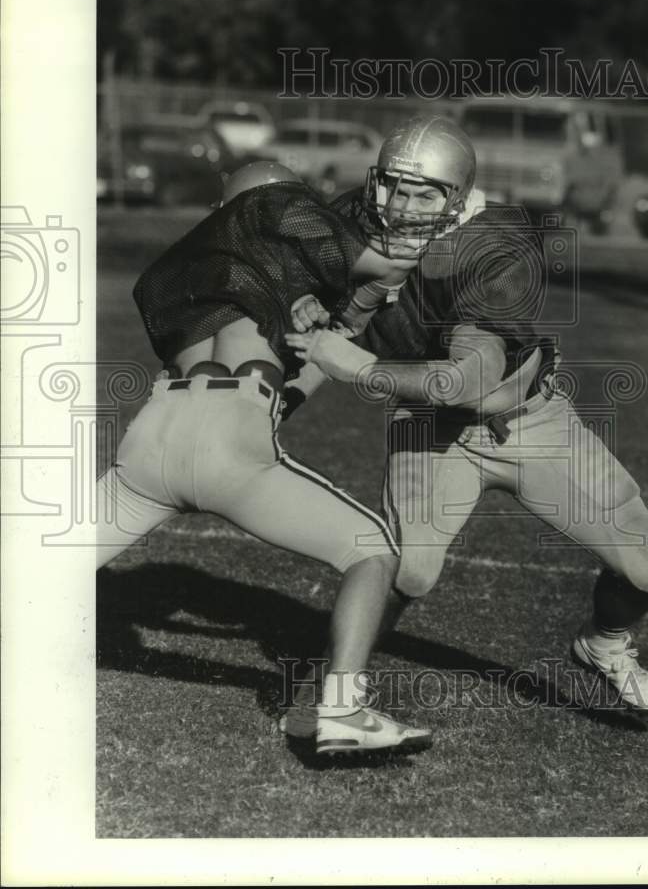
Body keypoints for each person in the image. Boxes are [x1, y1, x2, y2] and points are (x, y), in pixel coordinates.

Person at [284, 115, 648, 720]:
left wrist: (357, 366)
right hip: (427, 427)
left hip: (527, 421)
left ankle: (602, 645)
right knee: (407, 572)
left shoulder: (493, 246)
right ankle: (339, 690)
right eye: (392, 187)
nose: (401, 206)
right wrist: (304, 300)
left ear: (460, 197)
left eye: (424, 194)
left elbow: (468, 379)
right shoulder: (352, 218)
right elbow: (284, 277)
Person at [95, 160, 433, 756]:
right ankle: (343, 709)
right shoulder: (276, 236)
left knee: (37, 569)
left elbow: (276, 383)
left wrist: (333, 326)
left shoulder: (174, 277)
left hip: (153, 438)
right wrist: (384, 277)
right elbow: (389, 262)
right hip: (232, 443)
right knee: (373, 551)